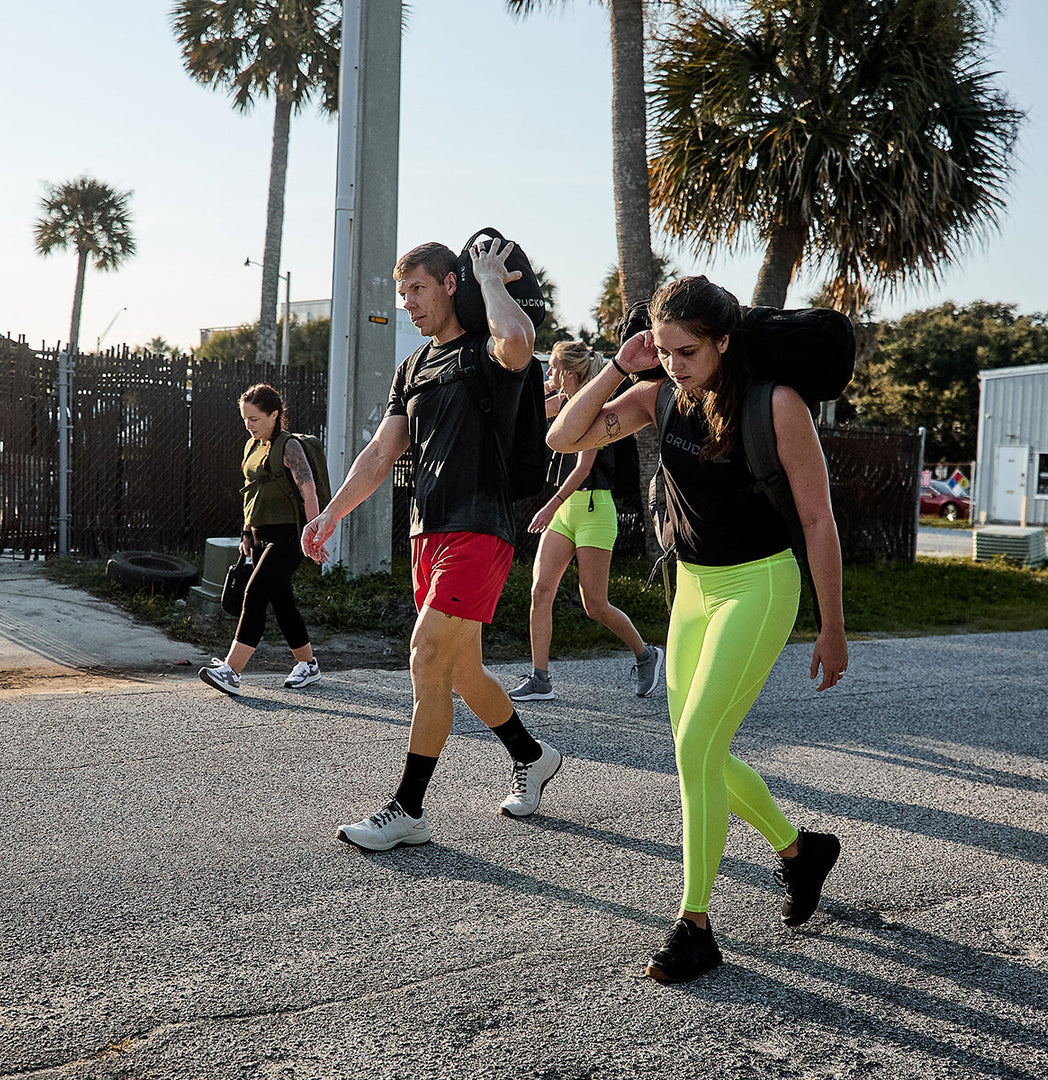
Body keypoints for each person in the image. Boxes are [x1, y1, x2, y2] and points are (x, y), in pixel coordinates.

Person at [547, 276, 848, 984]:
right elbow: (565, 436)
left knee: (695, 745)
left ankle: (695, 923)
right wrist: (622, 365)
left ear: (723, 343)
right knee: (697, 749)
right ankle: (801, 851)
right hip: (693, 589)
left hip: (760, 584)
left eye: (688, 350)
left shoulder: (777, 406)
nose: (675, 362)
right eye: (664, 348)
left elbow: (817, 521)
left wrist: (832, 627)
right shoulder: (655, 396)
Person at [301, 239, 562, 851]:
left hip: (480, 526)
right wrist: (332, 515)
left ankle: (408, 809)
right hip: (428, 530)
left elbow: (520, 343)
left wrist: (489, 280)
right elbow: (381, 453)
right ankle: (533, 754)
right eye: (402, 295)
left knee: (425, 657)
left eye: (417, 289)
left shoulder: (488, 351)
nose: (408, 305)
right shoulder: (414, 366)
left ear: (449, 283)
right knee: (462, 671)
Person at [508, 340, 663, 702]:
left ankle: (646, 654)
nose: (550, 373)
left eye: (554, 368)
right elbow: (521, 416)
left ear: (571, 372)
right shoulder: (562, 403)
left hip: (594, 509)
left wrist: (550, 505)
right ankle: (540, 678)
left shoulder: (591, 407)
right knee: (540, 590)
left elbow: (584, 466)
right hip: (565, 512)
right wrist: (541, 388)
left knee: (595, 604)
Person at [199, 384, 323, 697]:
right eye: (245, 419)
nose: (248, 425)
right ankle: (308, 665)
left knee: (254, 595)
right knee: (282, 603)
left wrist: (314, 533)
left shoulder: (289, 446)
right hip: (259, 535)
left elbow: (309, 490)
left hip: (289, 536)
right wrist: (245, 531)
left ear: (274, 415)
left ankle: (231, 671)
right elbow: (251, 492)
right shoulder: (251, 446)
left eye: (254, 419)